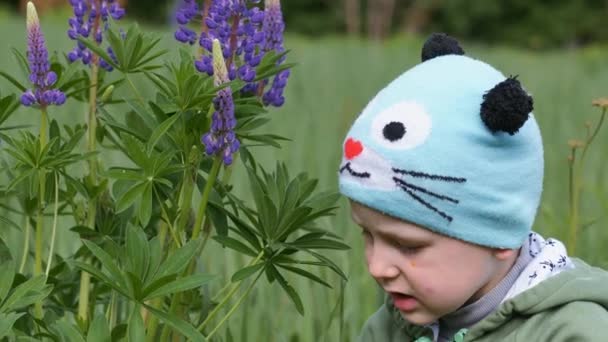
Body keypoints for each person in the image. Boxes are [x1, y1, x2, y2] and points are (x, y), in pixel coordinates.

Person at [338, 33, 608, 342]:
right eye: (367, 235)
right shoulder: (389, 329)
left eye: (408, 245)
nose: (377, 266)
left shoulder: (573, 332)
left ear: (501, 234)